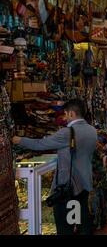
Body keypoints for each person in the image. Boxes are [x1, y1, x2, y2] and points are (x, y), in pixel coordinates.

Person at [12, 99, 97, 235]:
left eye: (65, 114)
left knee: (66, 226)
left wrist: (19, 140)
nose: (64, 117)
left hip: (69, 188)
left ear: (72, 113)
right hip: (84, 183)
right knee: (80, 220)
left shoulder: (67, 132)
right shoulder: (92, 130)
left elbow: (40, 144)